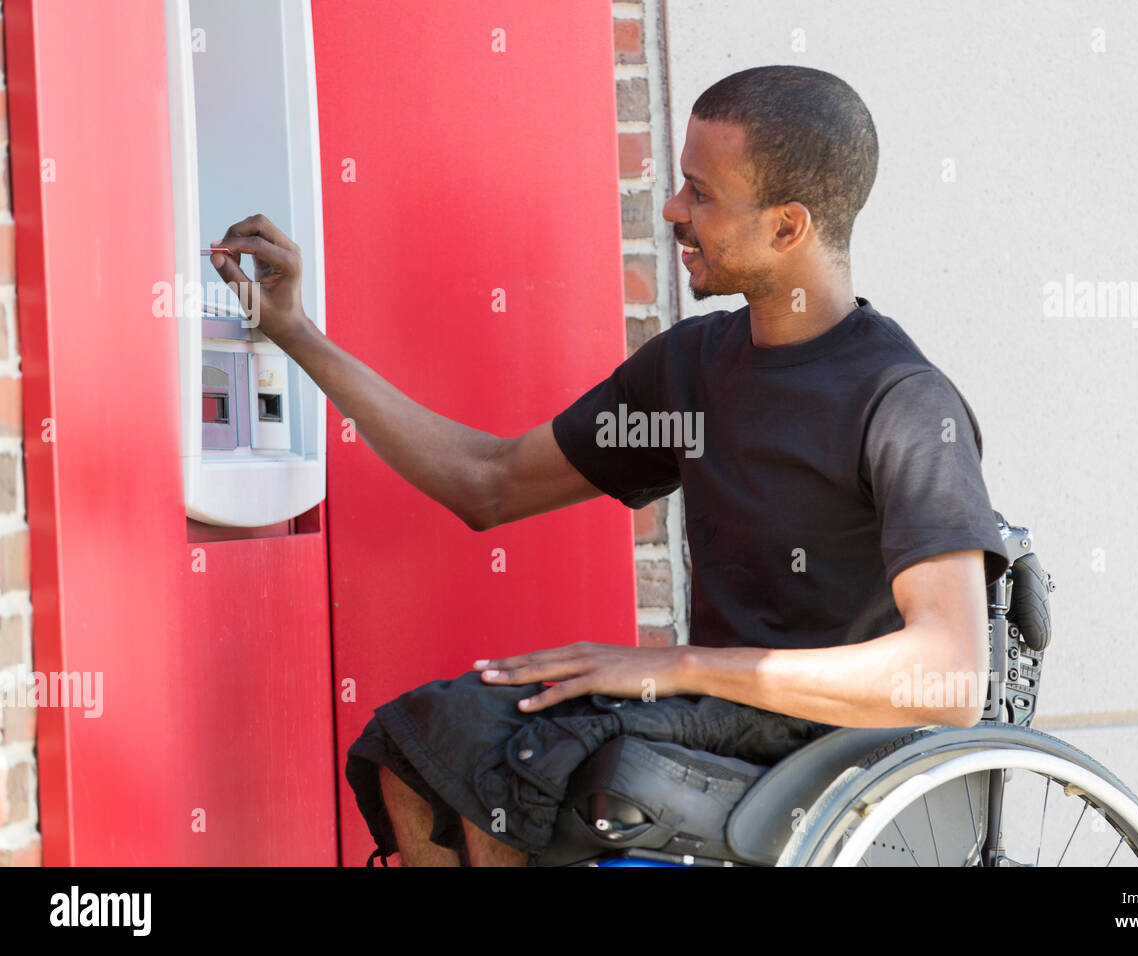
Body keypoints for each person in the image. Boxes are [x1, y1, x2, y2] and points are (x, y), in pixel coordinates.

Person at [208, 65, 1010, 867]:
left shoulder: (902, 402)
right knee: (425, 743)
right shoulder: (693, 368)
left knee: (501, 759)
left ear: (787, 227)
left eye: (701, 193)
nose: (672, 211)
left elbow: (948, 674)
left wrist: (679, 662)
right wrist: (296, 332)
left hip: (835, 753)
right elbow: (487, 482)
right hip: (717, 720)